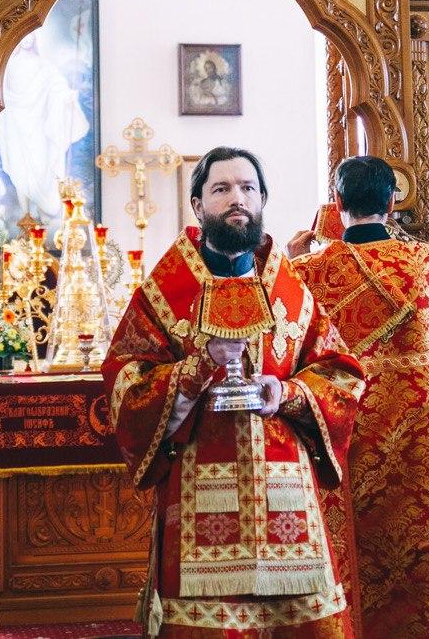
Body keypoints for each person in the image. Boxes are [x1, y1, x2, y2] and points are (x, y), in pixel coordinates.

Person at [102, 146, 365, 637]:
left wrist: (283, 394)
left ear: (263, 198)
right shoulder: (164, 293)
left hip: (284, 489)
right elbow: (125, 385)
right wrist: (195, 371)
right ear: (198, 205)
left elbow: (341, 375)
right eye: (221, 189)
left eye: (246, 188)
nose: (236, 199)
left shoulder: (292, 289)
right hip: (198, 484)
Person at [288, 156, 429, 638]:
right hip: (420, 442)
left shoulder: (304, 270)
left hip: (338, 433)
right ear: (392, 202)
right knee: (419, 544)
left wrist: (291, 252)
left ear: (336, 203)